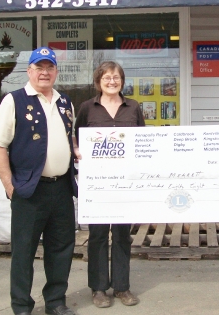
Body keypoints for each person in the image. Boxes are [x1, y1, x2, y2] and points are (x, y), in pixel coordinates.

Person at [0, 47, 78, 315]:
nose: (45, 72)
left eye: (49, 67)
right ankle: (21, 305)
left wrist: (75, 150)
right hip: (29, 190)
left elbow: (67, 139)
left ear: (56, 72)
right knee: (23, 252)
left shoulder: (65, 103)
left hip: (61, 188)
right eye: (39, 68)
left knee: (61, 248)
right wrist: (9, 186)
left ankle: (55, 301)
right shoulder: (13, 100)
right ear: (29, 71)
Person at [74, 61, 145, 308]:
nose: (112, 81)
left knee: (123, 235)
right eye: (106, 78)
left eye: (116, 77)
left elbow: (143, 142)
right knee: (98, 235)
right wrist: (77, 151)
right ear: (98, 82)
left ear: (122, 81)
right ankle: (99, 288)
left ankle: (122, 288)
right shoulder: (87, 108)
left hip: (126, 182)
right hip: (98, 184)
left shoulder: (133, 107)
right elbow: (78, 138)